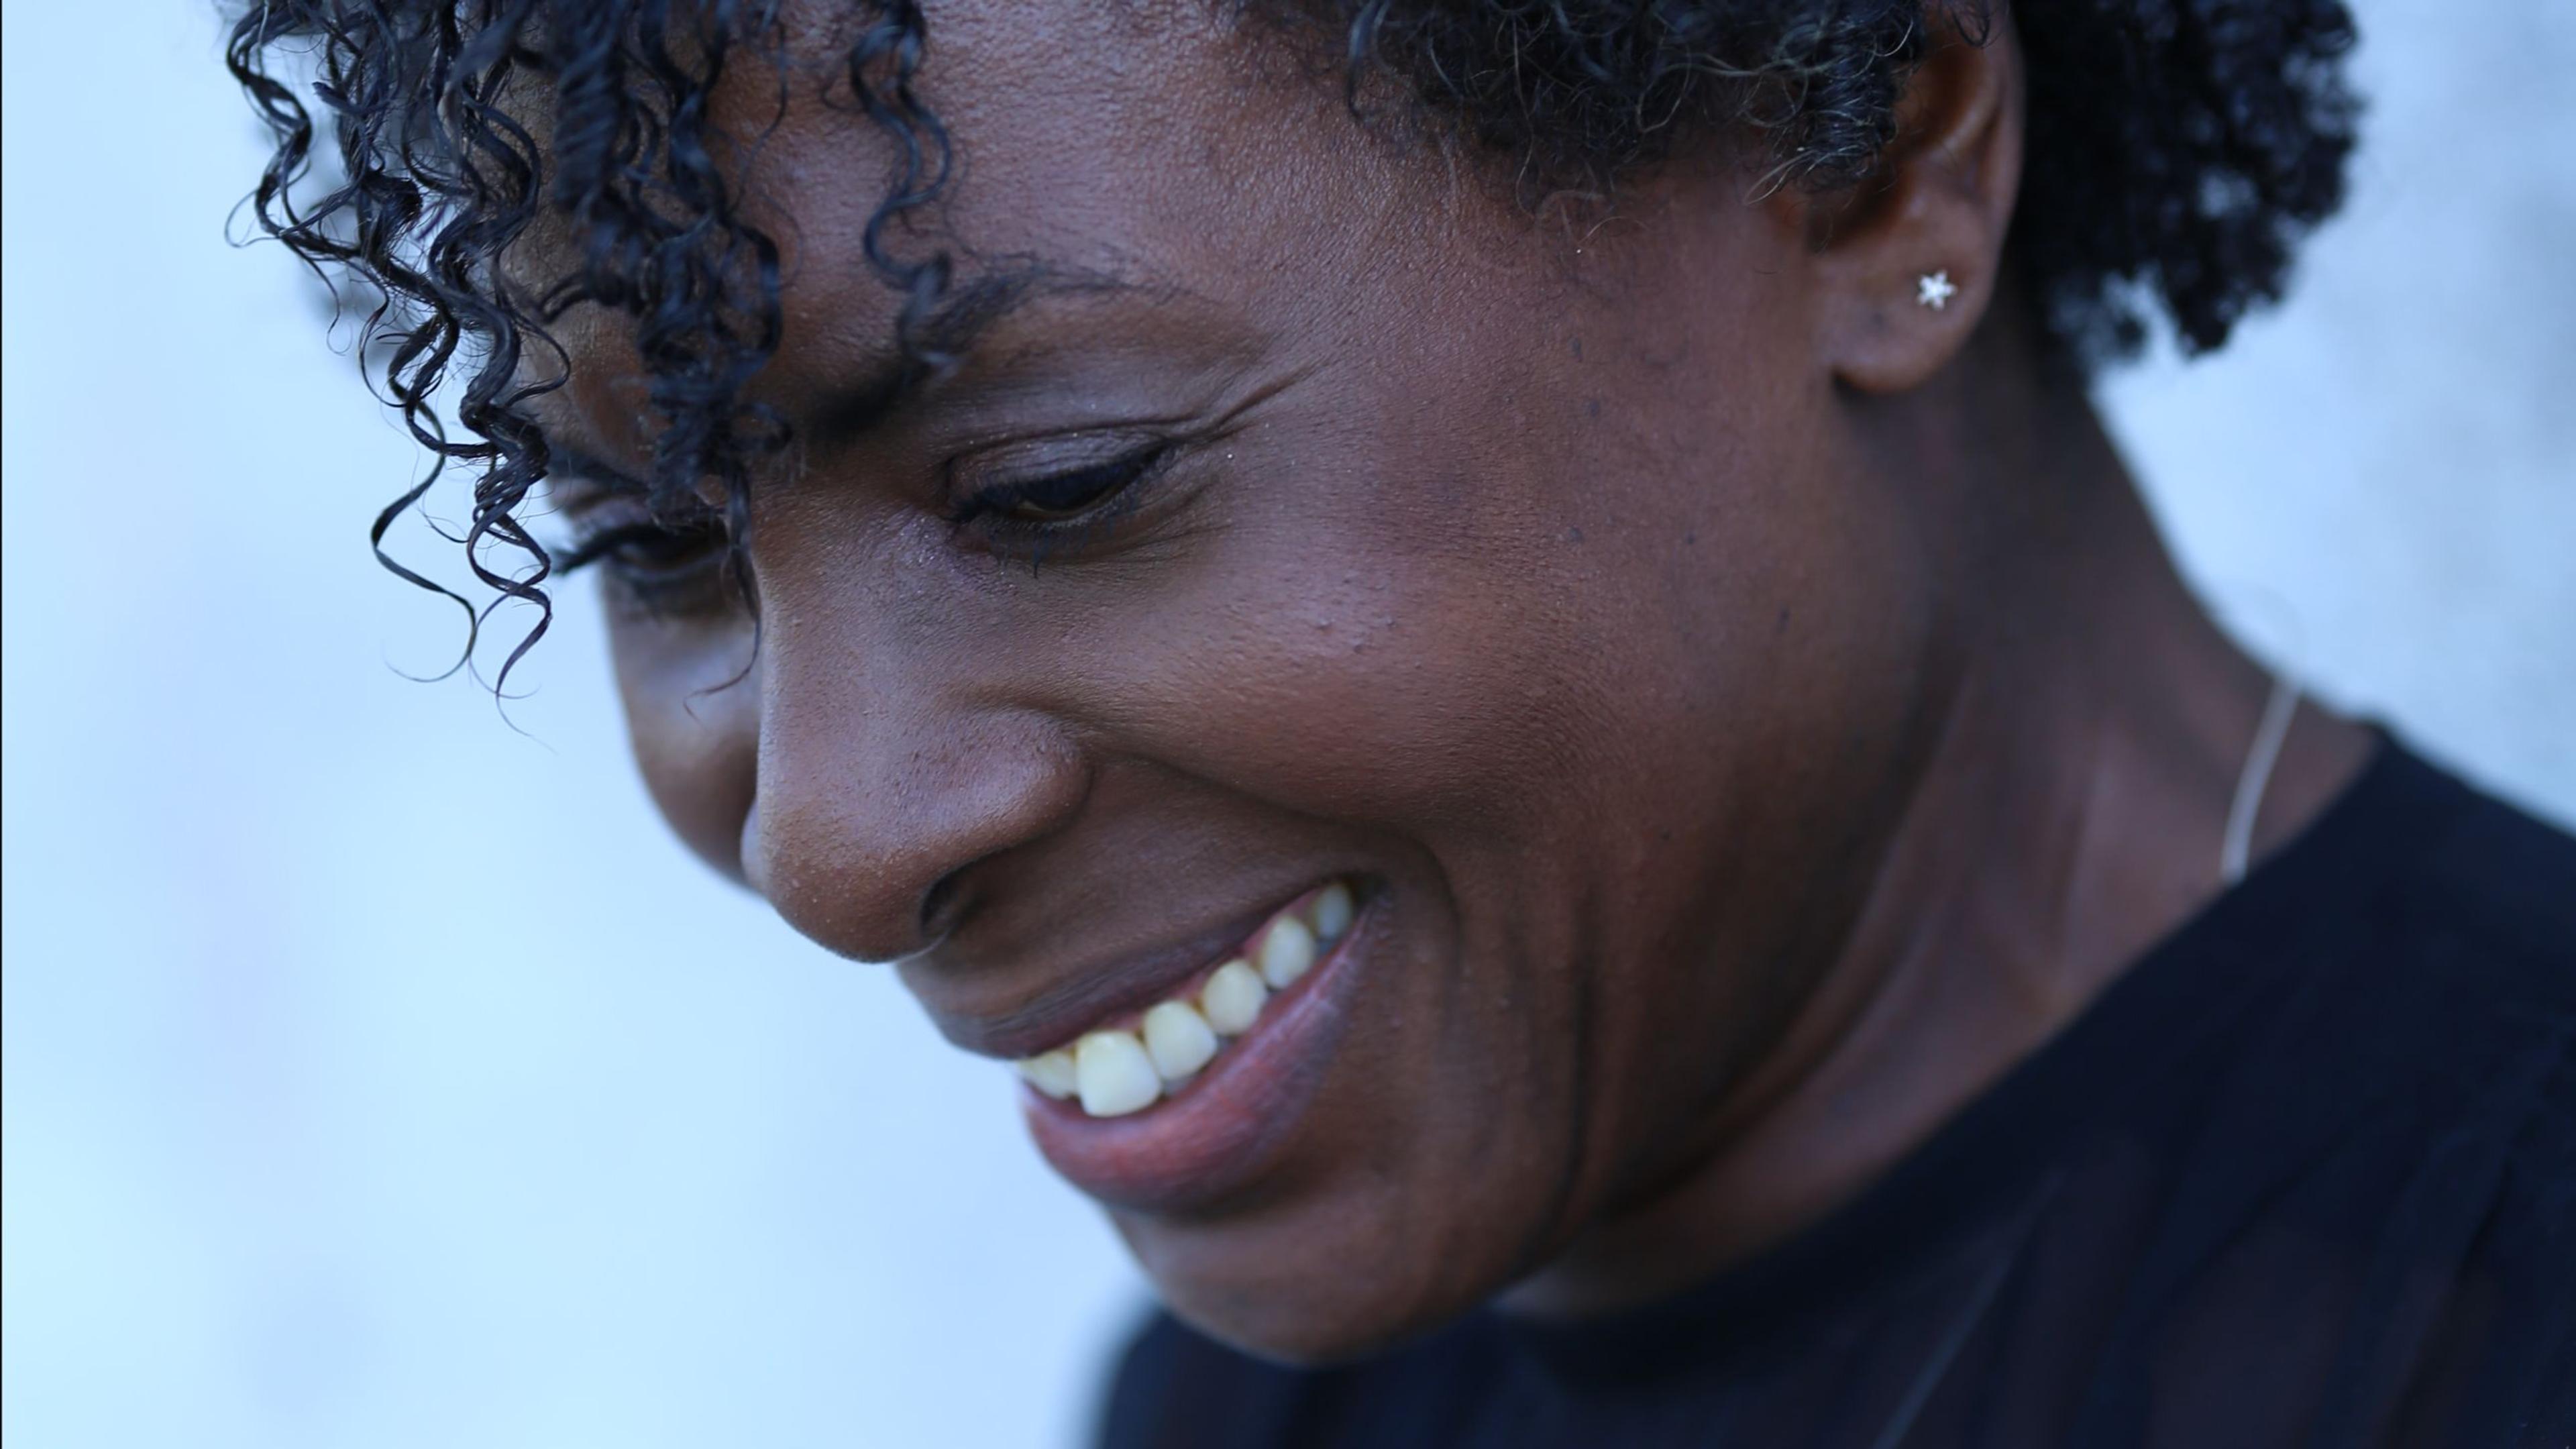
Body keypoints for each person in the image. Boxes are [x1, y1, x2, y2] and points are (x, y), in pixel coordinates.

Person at [225, 1, 2575, 1443]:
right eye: (657, 548)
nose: (836, 843)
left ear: (1868, 166)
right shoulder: (1248, 1413)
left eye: (1062, 482)